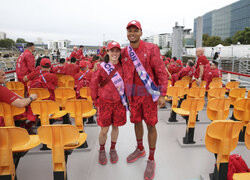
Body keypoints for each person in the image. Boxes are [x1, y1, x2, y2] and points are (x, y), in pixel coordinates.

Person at [121, 20, 168, 180]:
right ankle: (140, 148)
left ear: (141, 32)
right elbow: (115, 65)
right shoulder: (124, 52)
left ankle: (151, 158)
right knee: (136, 122)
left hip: (148, 94)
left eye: (135, 30)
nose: (132, 33)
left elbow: (161, 71)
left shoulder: (151, 48)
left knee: (151, 125)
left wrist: (162, 93)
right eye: (129, 30)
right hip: (133, 94)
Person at [90, 41, 127, 165]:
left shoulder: (124, 66)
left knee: (116, 127)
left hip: (119, 103)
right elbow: (94, 84)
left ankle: (112, 148)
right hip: (105, 103)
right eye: (112, 51)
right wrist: (95, 100)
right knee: (104, 130)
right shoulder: (101, 67)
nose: (115, 53)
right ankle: (101, 150)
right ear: (108, 52)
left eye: (117, 51)